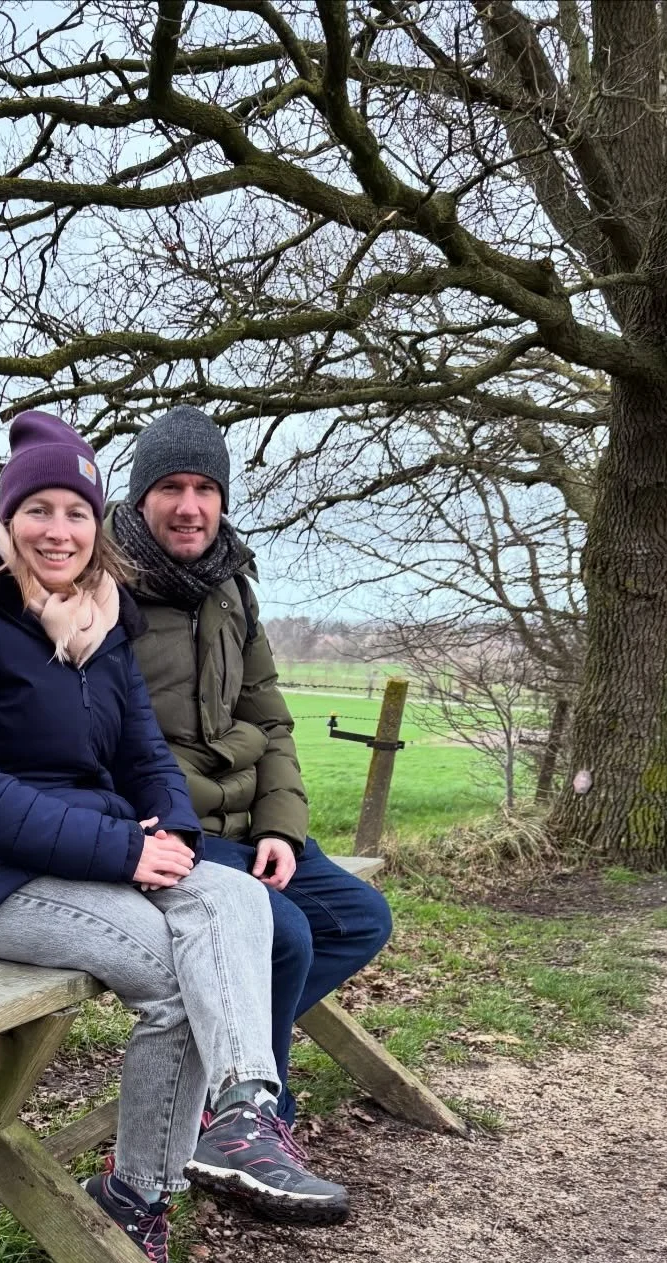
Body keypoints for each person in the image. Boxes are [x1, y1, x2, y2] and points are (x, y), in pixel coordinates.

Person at [0, 412, 349, 1263]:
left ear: (99, 525)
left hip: (98, 850)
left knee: (239, 899)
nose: (60, 531)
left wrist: (172, 836)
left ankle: (245, 1113)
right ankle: (136, 1201)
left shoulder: (101, 624)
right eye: (41, 511)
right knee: (176, 978)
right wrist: (121, 850)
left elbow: (145, 758)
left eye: (77, 512)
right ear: (4, 517)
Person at [110, 406, 395, 1157]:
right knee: (285, 936)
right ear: (141, 496)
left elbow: (269, 721)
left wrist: (280, 827)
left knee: (359, 919)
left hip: (244, 821)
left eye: (206, 487)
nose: (190, 505)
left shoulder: (231, 585)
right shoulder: (103, 590)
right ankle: (253, 1122)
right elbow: (98, 739)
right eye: (171, 486)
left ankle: (216, 1087)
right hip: (167, 826)